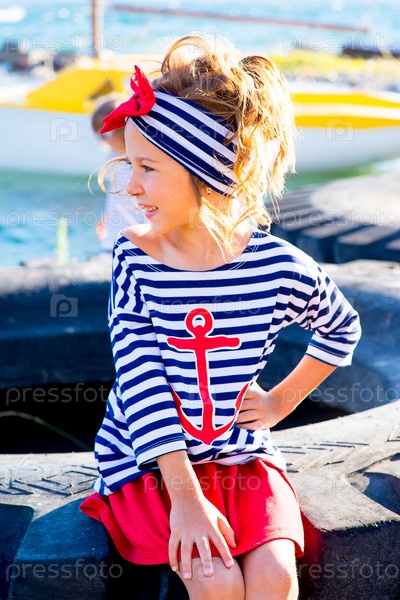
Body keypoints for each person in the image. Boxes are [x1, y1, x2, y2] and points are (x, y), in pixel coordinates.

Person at [81, 34, 361, 600]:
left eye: (148, 168)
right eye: (129, 165)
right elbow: (141, 382)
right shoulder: (136, 258)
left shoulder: (277, 267)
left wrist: (280, 402)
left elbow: (341, 326)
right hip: (153, 463)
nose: (131, 186)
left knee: (275, 579)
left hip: (238, 454)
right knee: (215, 583)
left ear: (207, 172)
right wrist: (186, 502)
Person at [90, 94, 147, 254]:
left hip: (134, 236)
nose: (102, 141)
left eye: (105, 134)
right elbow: (115, 195)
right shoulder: (112, 156)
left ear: (124, 129)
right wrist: (105, 217)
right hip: (112, 235)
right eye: (98, 135)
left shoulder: (138, 161)